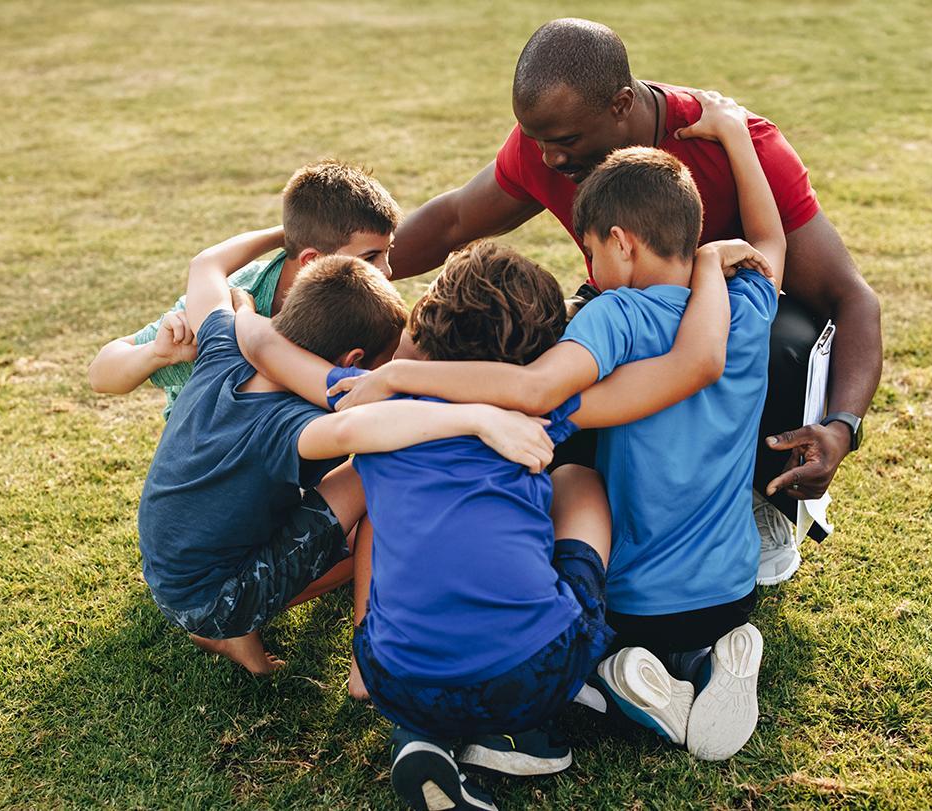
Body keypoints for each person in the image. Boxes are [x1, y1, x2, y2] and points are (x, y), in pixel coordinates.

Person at [332, 100, 784, 761]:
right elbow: (773, 242)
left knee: (573, 478)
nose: (591, 268)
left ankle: (615, 667)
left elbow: (534, 391)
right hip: (731, 589)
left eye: (593, 250)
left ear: (622, 241)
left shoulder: (615, 317)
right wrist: (737, 135)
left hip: (636, 600)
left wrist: (407, 378)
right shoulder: (746, 301)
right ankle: (711, 655)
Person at [235, 239, 756, 806]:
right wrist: (706, 264)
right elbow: (691, 366)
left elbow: (267, 347)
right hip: (530, 673)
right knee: (580, 482)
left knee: (393, 516)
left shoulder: (368, 407)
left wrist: (238, 312)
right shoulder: (535, 413)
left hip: (396, 678)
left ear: (427, 322)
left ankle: (420, 734)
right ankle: (533, 718)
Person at [385, 18, 882, 583]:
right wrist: (355, 273)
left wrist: (841, 427)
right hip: (626, 311)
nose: (548, 159)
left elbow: (853, 299)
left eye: (565, 142)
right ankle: (546, 502)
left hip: (734, 326)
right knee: (522, 328)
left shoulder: (739, 145)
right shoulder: (549, 144)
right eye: (538, 140)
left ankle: (758, 499)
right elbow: (452, 219)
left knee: (783, 341)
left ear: (622, 104)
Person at [136, 226, 552, 676]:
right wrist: (480, 417)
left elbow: (205, 266)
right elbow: (357, 428)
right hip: (214, 601)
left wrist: (275, 254)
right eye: (385, 361)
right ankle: (322, 650)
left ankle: (238, 633)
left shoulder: (225, 344)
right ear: (353, 362)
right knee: (376, 468)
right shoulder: (290, 425)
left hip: (165, 570)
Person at [86, 160, 399, 417]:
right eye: (370, 257)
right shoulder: (239, 294)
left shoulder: (364, 304)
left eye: (387, 252)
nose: (387, 271)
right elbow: (101, 374)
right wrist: (156, 354)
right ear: (312, 259)